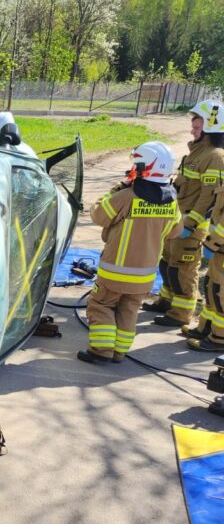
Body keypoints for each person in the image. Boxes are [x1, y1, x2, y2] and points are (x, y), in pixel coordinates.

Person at [78, 142, 182, 365]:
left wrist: (117, 188)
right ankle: (119, 352)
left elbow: (98, 214)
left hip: (115, 271)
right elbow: (175, 231)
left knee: (101, 305)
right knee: (129, 310)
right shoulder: (171, 202)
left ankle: (101, 351)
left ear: (144, 167)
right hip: (144, 276)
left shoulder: (127, 196)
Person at [144, 99, 224, 330]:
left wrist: (190, 224)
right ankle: (166, 302)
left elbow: (209, 198)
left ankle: (182, 312)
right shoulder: (197, 152)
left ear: (211, 124)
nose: (192, 126)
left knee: (183, 270)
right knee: (167, 264)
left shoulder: (215, 157)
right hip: (177, 221)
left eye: (197, 122)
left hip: (190, 225)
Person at [187, 138, 224, 351]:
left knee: (220, 293)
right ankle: (206, 328)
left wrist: (212, 243)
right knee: (211, 286)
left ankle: (219, 339)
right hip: (218, 250)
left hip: (220, 247)